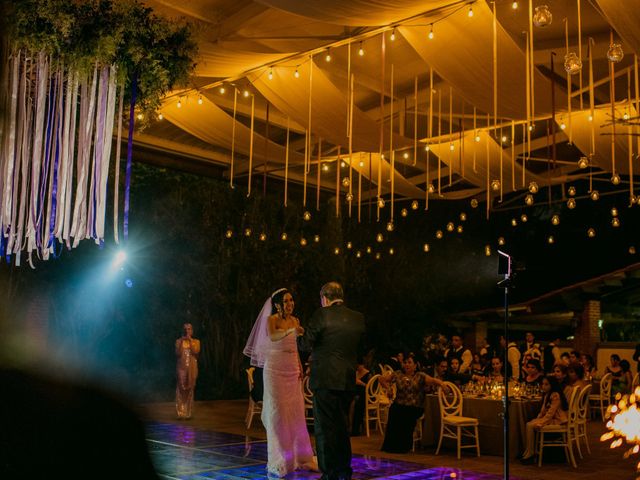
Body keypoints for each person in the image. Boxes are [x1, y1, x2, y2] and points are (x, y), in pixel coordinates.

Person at [243, 288, 317, 477]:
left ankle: (299, 456)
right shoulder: (272, 320)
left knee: (295, 413)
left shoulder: (296, 320)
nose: (290, 304)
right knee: (279, 414)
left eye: (292, 300)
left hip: (292, 371)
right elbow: (274, 336)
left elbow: (295, 348)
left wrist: (299, 366)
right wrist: (291, 330)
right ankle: (280, 458)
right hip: (274, 371)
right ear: (277, 304)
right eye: (286, 301)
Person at [300, 281, 365, 480]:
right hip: (346, 380)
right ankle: (344, 472)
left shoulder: (322, 314)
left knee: (324, 430)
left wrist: (298, 335)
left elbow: (305, 345)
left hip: (326, 379)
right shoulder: (357, 318)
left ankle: (329, 474)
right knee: (341, 428)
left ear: (325, 298)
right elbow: (359, 348)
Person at [380, 353, 446, 453]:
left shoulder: (420, 376)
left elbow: (434, 380)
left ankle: (403, 446)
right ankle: (391, 445)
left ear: (415, 365)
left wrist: (443, 384)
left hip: (415, 406)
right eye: (405, 362)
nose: (407, 365)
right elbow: (381, 379)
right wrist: (388, 388)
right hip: (399, 404)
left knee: (404, 412)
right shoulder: (398, 374)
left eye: (410, 362)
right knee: (394, 410)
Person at [519, 376, 569, 464]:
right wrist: (538, 418)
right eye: (542, 384)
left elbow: (550, 413)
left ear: (552, 385)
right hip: (550, 418)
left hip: (557, 419)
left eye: (546, 384)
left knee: (530, 425)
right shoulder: (547, 394)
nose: (543, 386)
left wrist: (541, 422)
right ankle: (529, 450)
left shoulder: (555, 395)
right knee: (529, 424)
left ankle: (531, 453)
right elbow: (543, 411)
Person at [175, 322, 201, 419]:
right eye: (185, 329)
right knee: (181, 388)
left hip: (192, 367)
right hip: (181, 368)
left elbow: (195, 351)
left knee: (190, 387)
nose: (187, 331)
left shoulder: (196, 342)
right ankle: (181, 413)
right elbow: (178, 353)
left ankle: (188, 412)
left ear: (192, 330)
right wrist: (182, 341)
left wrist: (190, 340)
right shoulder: (178, 341)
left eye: (189, 329)